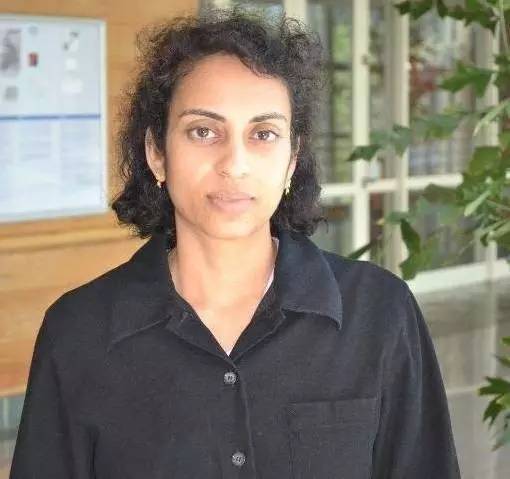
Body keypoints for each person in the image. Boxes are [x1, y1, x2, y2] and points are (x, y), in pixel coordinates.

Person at [9, 5, 461, 478]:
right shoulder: (78, 332)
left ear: (291, 161)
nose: (235, 164)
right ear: (157, 153)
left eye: (264, 134)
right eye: (203, 131)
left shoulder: (380, 314)